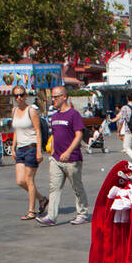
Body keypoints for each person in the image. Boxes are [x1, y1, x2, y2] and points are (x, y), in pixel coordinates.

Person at [36, 86, 89, 226]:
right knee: (54, 187)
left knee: (77, 187)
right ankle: (51, 216)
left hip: (72, 159)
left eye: (56, 96)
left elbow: (79, 135)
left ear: (64, 97)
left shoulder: (73, 114)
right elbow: (54, 135)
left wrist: (68, 151)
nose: (53, 99)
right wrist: (52, 150)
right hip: (56, 158)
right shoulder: (54, 116)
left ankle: (82, 213)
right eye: (52, 97)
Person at [10, 86, 46, 220]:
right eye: (16, 95)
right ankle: (42, 199)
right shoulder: (14, 111)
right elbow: (16, 130)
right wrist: (13, 147)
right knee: (20, 181)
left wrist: (38, 151)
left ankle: (31, 211)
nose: (19, 97)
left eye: (21, 95)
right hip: (20, 149)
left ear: (25, 96)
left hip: (31, 147)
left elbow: (38, 131)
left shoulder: (31, 111)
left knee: (29, 180)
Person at [116, 95, 132, 165]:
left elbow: (121, 120)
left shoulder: (125, 108)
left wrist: (119, 130)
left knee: (126, 147)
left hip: (129, 129)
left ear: (127, 98)